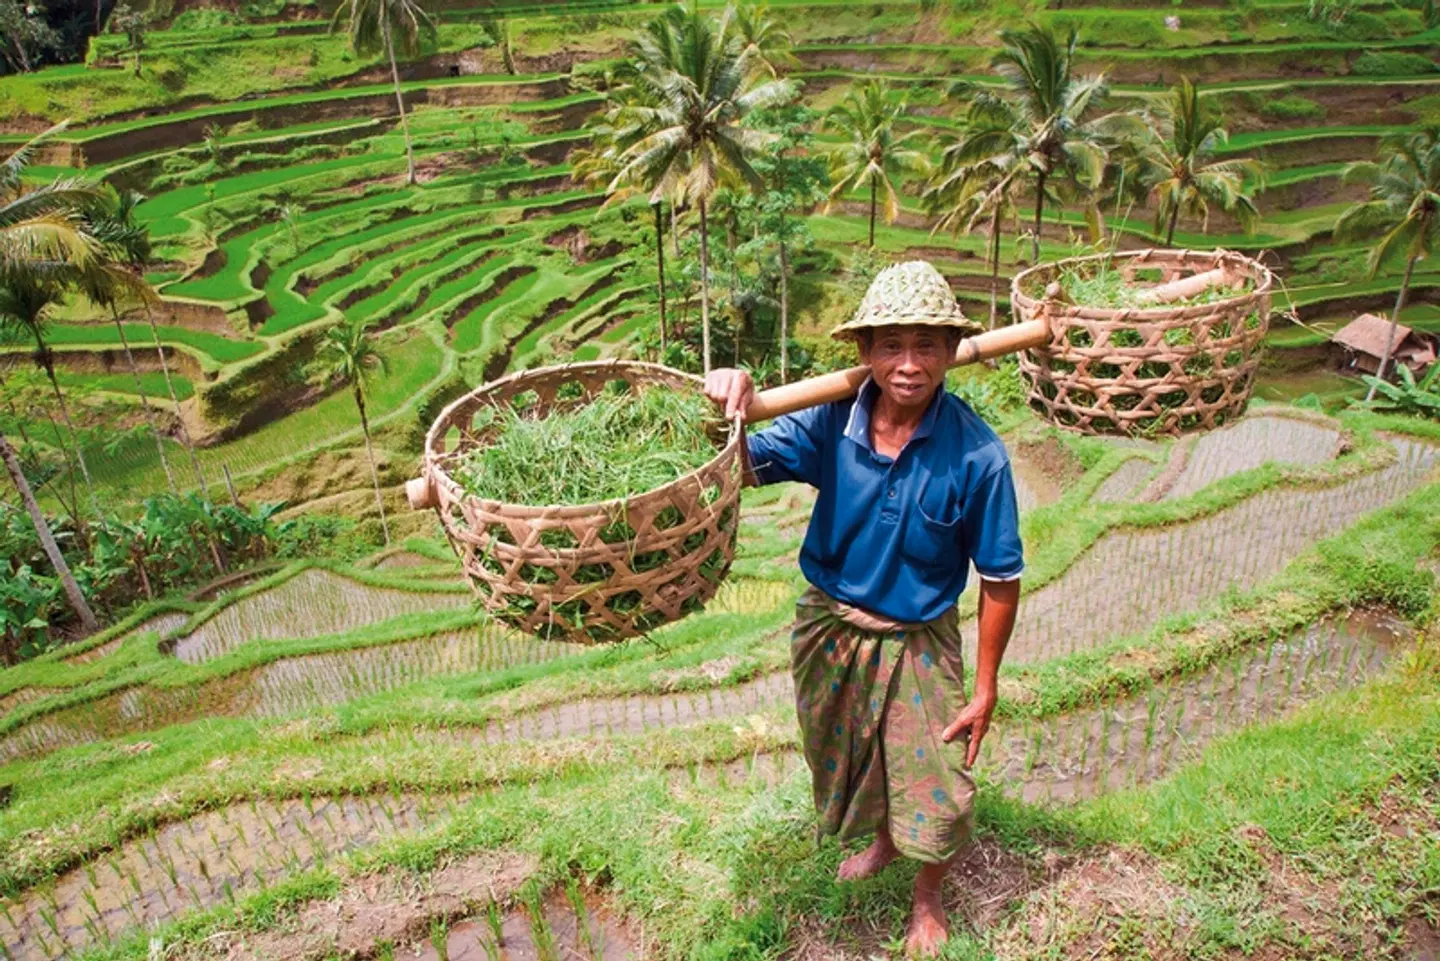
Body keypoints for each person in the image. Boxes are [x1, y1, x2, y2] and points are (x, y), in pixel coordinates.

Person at [703, 261, 1023, 956]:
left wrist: (989, 684)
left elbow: (1000, 578)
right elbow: (743, 463)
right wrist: (722, 402)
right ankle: (882, 839)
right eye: (891, 346)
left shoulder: (978, 457)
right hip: (831, 624)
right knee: (849, 749)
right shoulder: (830, 421)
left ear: (949, 351)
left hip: (918, 633)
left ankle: (928, 895)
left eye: (927, 345)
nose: (909, 365)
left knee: (937, 772)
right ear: (865, 352)